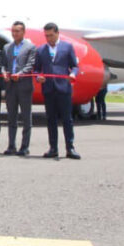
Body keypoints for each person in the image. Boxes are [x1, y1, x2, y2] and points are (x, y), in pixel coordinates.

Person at [34, 22, 81, 159]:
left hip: (64, 88)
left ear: (57, 33)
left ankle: (70, 148)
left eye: (51, 35)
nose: (49, 38)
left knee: (67, 119)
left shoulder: (67, 47)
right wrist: (38, 77)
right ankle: (53, 148)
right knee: (51, 120)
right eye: (46, 36)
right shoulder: (41, 49)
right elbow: (36, 69)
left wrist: (73, 74)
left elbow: (75, 66)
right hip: (48, 89)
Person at [2, 20, 36, 155]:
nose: (14, 33)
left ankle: (24, 146)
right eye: (13, 31)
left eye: (17, 31)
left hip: (24, 86)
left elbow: (30, 65)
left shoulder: (30, 47)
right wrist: (4, 73)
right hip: (10, 86)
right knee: (11, 117)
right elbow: (3, 64)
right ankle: (11, 146)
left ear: (23, 32)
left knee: (26, 118)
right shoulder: (7, 47)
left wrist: (20, 75)